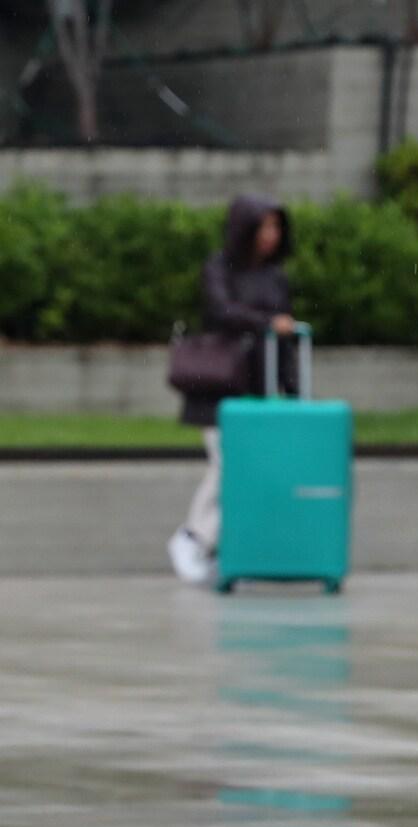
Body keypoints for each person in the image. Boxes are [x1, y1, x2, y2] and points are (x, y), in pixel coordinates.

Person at [167, 194, 299, 585]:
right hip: (221, 384)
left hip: (260, 384)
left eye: (276, 227)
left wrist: (292, 390)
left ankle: (219, 547)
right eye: (264, 227)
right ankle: (192, 538)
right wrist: (265, 323)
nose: (270, 236)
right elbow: (220, 311)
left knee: (248, 467)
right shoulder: (219, 266)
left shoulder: (276, 277)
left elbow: (286, 335)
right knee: (228, 463)